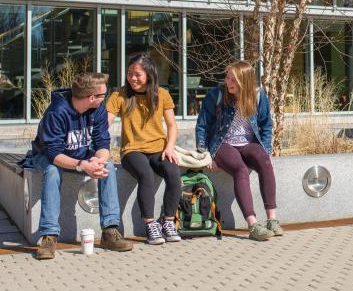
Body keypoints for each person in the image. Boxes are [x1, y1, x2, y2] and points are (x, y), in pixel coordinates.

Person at [31, 72, 133, 260]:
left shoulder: (98, 110)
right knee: (52, 171)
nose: (106, 98)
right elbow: (54, 155)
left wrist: (98, 160)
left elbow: (102, 142)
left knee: (108, 166)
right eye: (104, 94)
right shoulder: (57, 112)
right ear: (91, 97)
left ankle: (110, 231)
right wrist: (82, 165)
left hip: (80, 156)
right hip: (47, 156)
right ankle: (49, 236)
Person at [195, 60, 283, 241]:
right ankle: (252, 224)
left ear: (245, 80)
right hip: (222, 144)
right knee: (240, 169)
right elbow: (202, 126)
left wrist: (266, 149)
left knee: (265, 162)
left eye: (233, 80)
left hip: (249, 143)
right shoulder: (216, 95)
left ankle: (272, 220)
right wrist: (205, 154)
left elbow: (266, 125)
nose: (229, 83)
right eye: (228, 78)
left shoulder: (258, 96)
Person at [106, 53, 182, 245]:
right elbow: (104, 123)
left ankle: (168, 221)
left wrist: (170, 147)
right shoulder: (119, 95)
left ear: (149, 74)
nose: (133, 78)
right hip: (132, 150)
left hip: (159, 148)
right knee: (146, 175)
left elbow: (172, 126)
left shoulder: (162, 94)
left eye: (137, 74)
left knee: (173, 173)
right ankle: (150, 224)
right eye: (130, 73)